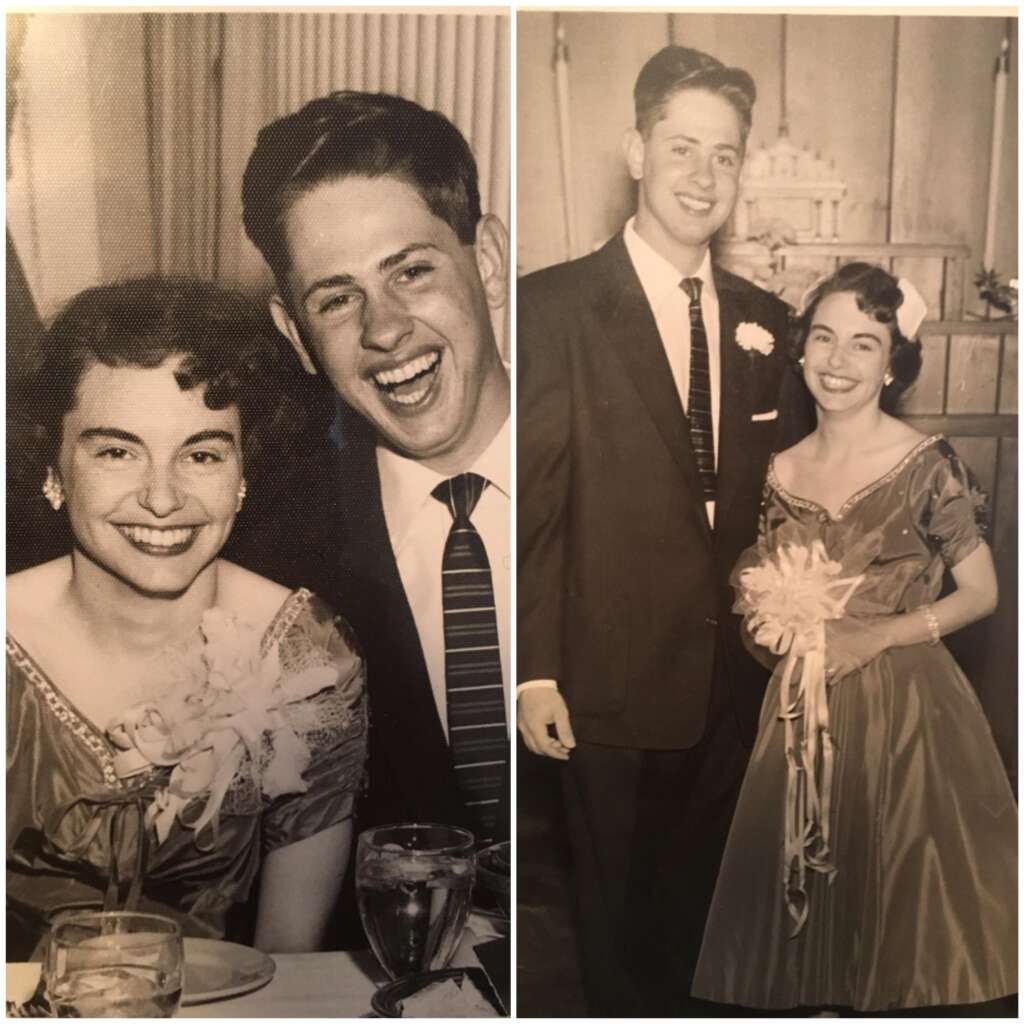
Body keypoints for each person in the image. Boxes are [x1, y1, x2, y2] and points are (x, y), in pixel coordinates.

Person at [517, 45, 813, 1015]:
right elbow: (535, 500)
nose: (701, 175)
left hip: (733, 689)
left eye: (723, 155)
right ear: (634, 149)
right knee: (611, 946)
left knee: (705, 939)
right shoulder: (553, 308)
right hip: (599, 681)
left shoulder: (764, 322)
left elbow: (786, 503)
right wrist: (533, 668)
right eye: (681, 147)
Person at [6, 278, 368, 961]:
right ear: (52, 467)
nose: (163, 498)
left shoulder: (307, 655)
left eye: (201, 453)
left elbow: (287, 957)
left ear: (242, 473)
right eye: (116, 451)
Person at [692, 263, 1017, 1012]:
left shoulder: (925, 464)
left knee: (897, 922)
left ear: (894, 364)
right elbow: (763, 590)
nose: (838, 363)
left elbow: (984, 594)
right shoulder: (779, 468)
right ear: (801, 350)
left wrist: (876, 638)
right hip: (802, 714)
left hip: (906, 714)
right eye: (825, 339)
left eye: (864, 345)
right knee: (808, 935)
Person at [230, 91, 511, 848]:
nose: (384, 329)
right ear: (295, 335)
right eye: (337, 299)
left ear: (486, 263)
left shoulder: (621, 471)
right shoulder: (274, 561)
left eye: (411, 272)